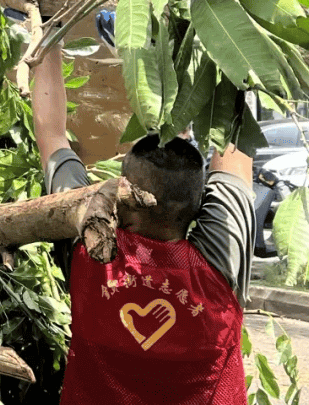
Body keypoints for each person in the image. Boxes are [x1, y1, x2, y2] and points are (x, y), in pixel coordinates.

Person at [31, 24, 255, 405]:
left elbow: (51, 133)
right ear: (201, 208)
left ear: (121, 195)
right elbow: (232, 136)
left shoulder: (90, 243)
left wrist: (48, 26)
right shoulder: (220, 265)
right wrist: (223, 27)